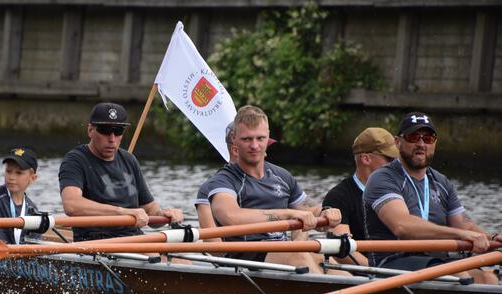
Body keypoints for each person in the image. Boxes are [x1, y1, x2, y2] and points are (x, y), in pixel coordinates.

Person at [363, 112, 500, 284]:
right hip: (393, 263)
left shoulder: (441, 182)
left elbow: (463, 224)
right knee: (461, 277)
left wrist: (492, 238)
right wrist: (460, 234)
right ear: (398, 142)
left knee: (489, 278)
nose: (421, 144)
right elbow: (402, 225)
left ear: (434, 143)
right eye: (414, 137)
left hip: (436, 261)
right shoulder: (383, 178)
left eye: (428, 138)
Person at [206, 105, 342, 273]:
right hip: (245, 258)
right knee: (299, 257)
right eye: (247, 139)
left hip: (281, 252)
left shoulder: (282, 176)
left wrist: (326, 212)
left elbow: (309, 210)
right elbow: (230, 217)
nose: (255, 146)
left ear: (268, 136)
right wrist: (288, 214)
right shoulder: (223, 181)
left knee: (328, 262)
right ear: (234, 139)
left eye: (260, 138)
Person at [58, 102, 184, 242]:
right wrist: (123, 212)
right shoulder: (75, 160)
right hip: (96, 242)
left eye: (118, 131)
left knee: (183, 262)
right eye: (105, 130)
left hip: (133, 239)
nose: (112, 139)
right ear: (90, 130)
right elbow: (72, 205)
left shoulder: (129, 160)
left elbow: (149, 210)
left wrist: (166, 214)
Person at [322, 127, 398, 265]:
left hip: (403, 266)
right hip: (369, 272)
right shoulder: (339, 197)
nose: (397, 164)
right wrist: (380, 270)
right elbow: (341, 251)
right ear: (366, 159)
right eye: (390, 159)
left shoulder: (401, 191)